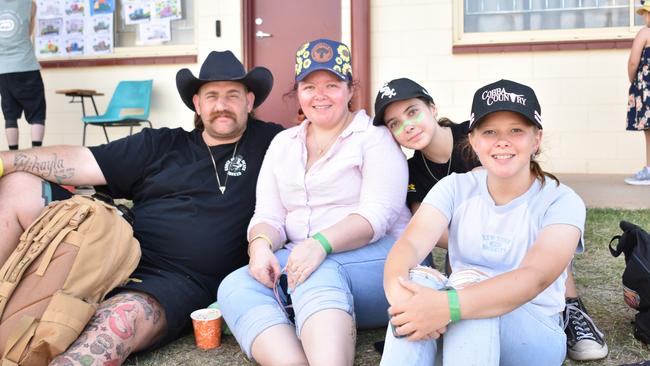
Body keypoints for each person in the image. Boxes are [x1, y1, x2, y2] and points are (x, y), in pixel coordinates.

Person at [0, 50, 282, 365]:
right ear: (197, 104)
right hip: (112, 248)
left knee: (115, 324)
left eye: (232, 95)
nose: (221, 105)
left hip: (175, 280)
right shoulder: (161, 144)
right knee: (18, 185)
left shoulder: (274, 144)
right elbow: (82, 161)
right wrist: (4, 161)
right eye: (211, 95)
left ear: (250, 101)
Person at [373, 77, 608, 362]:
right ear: (472, 140)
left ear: (537, 138)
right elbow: (409, 245)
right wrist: (403, 297)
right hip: (461, 325)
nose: (502, 142)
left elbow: (534, 277)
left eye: (516, 130)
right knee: (418, 282)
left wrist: (451, 306)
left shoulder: (561, 200)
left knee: (471, 289)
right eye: (490, 132)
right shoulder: (454, 187)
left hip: (533, 336)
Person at [217, 38, 411, 366]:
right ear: (298, 92)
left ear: (351, 90)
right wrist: (260, 247)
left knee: (313, 269)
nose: (319, 95)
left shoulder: (373, 138)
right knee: (235, 285)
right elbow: (268, 213)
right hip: (306, 257)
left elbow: (376, 216)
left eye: (332, 85)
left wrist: (320, 243)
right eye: (309, 86)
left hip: (384, 262)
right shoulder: (283, 144)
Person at [0, 0, 46, 150]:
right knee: (37, 111)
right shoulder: (29, 4)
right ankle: (36, 151)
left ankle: (13, 153)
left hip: (3, 69)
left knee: (10, 114)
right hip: (26, 65)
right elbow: (28, 32)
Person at [626, 1, 650, 185]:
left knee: (649, 131)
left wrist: (632, 80)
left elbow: (634, 61)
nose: (645, 17)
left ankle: (649, 169)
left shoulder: (645, 32)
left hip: (647, 88)